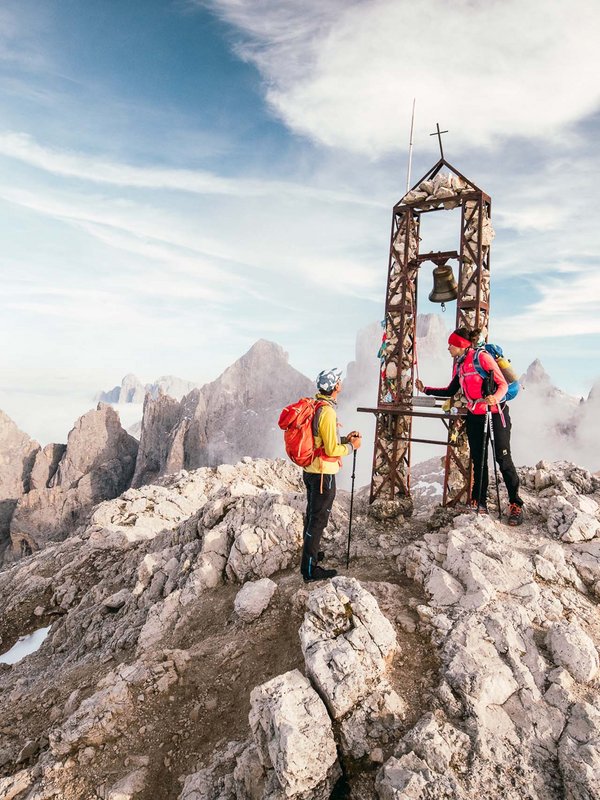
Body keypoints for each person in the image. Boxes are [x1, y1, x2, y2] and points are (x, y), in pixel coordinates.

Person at [415, 327, 524, 525]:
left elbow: (503, 385)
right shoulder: (461, 365)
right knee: (479, 460)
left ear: (461, 345)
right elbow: (450, 390)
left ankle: (516, 503)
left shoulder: (482, 358)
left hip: (496, 414)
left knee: (503, 459)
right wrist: (426, 389)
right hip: (475, 416)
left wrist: (495, 398)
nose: (448, 348)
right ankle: (479, 501)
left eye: (451, 344)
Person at [301, 368, 362, 581]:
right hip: (322, 474)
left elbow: (324, 441)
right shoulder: (327, 412)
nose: (341, 384)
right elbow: (331, 450)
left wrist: (345, 439)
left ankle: (312, 554)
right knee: (317, 521)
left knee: (312, 516)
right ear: (335, 386)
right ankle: (309, 569)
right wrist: (352, 447)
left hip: (311, 471)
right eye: (339, 382)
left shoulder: (317, 406)